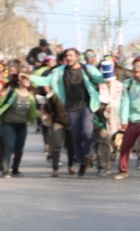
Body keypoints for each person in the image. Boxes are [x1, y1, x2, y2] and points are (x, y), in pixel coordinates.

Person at [29, 48, 106, 177]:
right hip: (70, 108)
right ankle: (82, 162)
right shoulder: (60, 71)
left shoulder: (87, 69)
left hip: (86, 106)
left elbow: (100, 79)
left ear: (77, 57)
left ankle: (88, 155)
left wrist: (108, 74)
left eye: (71, 55)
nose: (68, 58)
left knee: (87, 132)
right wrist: (29, 77)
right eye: (66, 56)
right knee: (75, 137)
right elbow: (46, 81)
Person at [0, 73, 38, 179]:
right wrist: (3, 95)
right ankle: (5, 170)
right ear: (19, 81)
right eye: (24, 79)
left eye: (28, 79)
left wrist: (45, 115)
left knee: (19, 149)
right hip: (8, 124)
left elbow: (33, 111)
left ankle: (15, 169)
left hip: (22, 125)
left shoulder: (30, 95)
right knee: (9, 146)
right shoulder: (12, 92)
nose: (27, 81)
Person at [96, 60, 122, 176]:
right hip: (101, 118)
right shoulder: (97, 85)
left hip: (117, 119)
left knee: (115, 142)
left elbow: (123, 102)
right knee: (103, 139)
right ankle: (103, 166)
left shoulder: (120, 86)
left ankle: (112, 155)